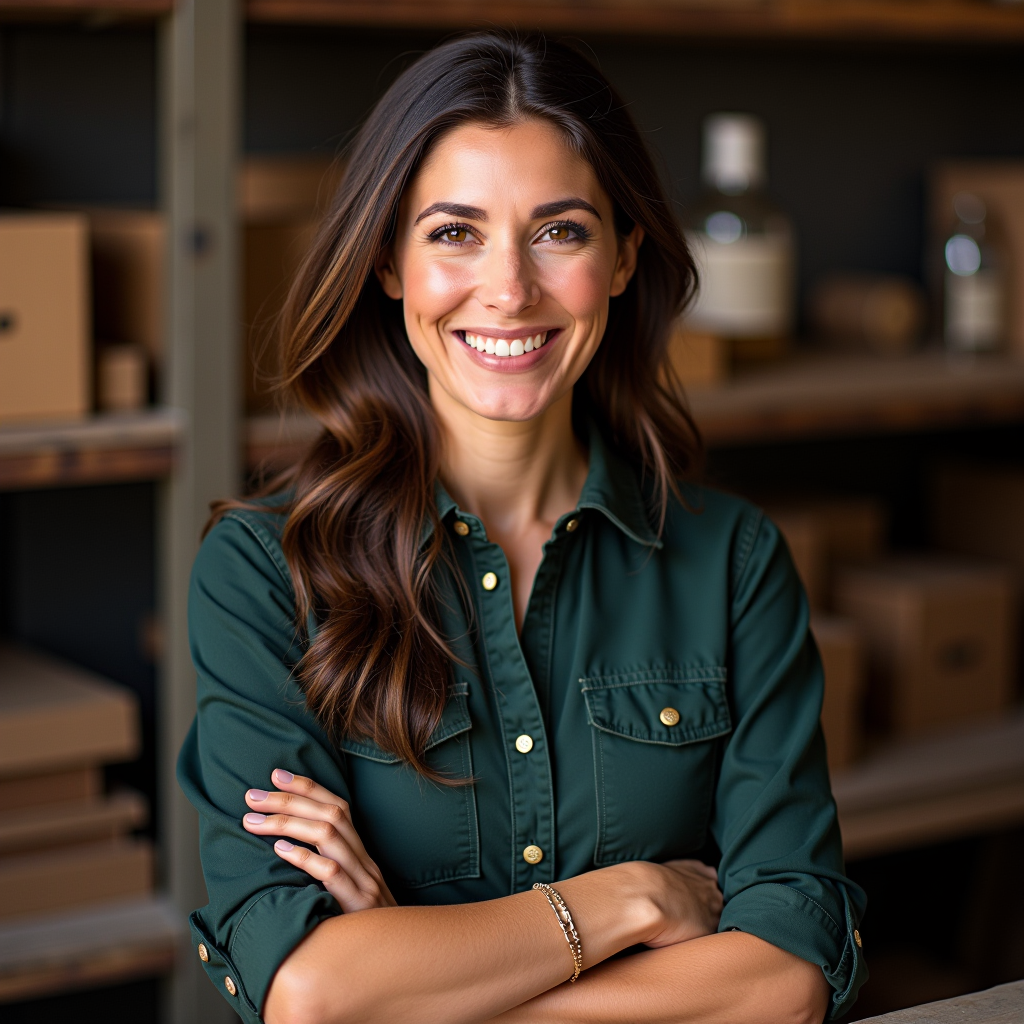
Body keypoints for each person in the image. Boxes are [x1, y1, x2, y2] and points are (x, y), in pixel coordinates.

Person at [178, 31, 866, 1024]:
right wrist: (629, 900)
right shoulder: (263, 574)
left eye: (560, 231)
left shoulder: (732, 562)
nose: (508, 288)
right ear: (388, 264)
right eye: (454, 233)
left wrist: (418, 984)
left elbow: (783, 978)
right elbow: (308, 991)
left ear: (625, 256)